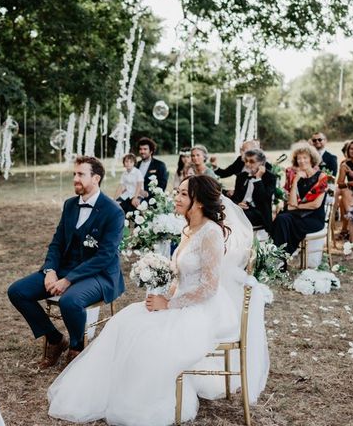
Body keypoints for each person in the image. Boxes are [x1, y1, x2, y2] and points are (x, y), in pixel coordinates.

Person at [48, 176, 268, 425]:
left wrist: (169, 304)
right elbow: (180, 276)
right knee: (123, 323)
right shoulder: (188, 229)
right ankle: (109, 392)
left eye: (184, 194)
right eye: (178, 191)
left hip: (204, 310)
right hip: (180, 300)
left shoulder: (211, 234)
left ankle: (142, 402)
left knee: (149, 337)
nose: (176, 197)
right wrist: (165, 295)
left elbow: (209, 287)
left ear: (198, 202)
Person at [8, 156, 125, 367]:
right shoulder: (70, 205)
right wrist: (51, 270)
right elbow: (57, 243)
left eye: (81, 174)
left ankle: (77, 346)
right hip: (64, 268)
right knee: (17, 291)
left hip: (98, 274)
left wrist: (68, 279)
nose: (75, 179)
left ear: (96, 178)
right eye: (74, 174)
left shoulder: (113, 211)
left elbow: (105, 256)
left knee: (70, 301)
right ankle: (55, 339)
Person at [272, 142, 328, 256]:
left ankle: (281, 256)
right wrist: (296, 180)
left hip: (314, 218)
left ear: (311, 159)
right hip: (297, 215)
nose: (302, 161)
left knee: (283, 220)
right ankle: (280, 256)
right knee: (281, 219)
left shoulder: (321, 177)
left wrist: (296, 206)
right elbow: (291, 203)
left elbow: (315, 205)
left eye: (305, 158)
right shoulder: (297, 176)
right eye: (299, 158)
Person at [230, 149, 277, 233]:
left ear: (261, 163)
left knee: (236, 217)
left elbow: (264, 200)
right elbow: (235, 197)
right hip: (242, 209)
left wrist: (258, 179)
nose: (247, 164)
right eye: (246, 161)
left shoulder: (270, 177)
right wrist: (238, 204)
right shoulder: (241, 176)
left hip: (259, 213)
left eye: (252, 161)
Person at [134, 137, 168, 204]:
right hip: (135, 196)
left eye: (145, 149)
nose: (142, 151)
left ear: (151, 151)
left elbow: (162, 185)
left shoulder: (160, 165)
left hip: (152, 200)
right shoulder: (136, 165)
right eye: (140, 149)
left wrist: (147, 193)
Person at [336, 140, 353, 239]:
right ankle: (351, 216)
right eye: (351, 149)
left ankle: (348, 224)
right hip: (351, 191)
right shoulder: (345, 165)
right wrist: (348, 183)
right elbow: (339, 183)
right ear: (348, 151)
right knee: (344, 192)